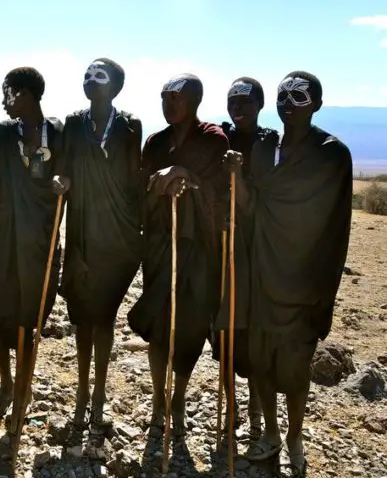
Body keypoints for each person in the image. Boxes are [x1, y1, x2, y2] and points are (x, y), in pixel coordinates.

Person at [225, 71, 352, 475]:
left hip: (304, 280)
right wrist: (235, 177)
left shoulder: (332, 154)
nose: (288, 103)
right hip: (263, 272)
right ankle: (271, 434)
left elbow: (338, 226)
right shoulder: (264, 149)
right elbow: (250, 209)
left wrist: (325, 290)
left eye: (299, 96)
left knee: (296, 371)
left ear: (316, 103)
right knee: (260, 360)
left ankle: (295, 434)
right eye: (282, 95)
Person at [127, 73, 229, 438]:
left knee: (189, 327)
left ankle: (179, 398)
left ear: (195, 102)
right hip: (160, 245)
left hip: (198, 249)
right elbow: (142, 188)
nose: (169, 105)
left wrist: (185, 174)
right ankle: (158, 399)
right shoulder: (155, 142)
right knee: (159, 325)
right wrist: (158, 185)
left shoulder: (213, 139)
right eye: (164, 98)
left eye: (176, 99)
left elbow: (216, 186)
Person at [0, 66, 68, 433]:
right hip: (4, 239)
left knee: (29, 321)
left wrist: (65, 182)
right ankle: (5, 383)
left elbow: (69, 173)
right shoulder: (1, 132)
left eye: (8, 93)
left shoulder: (58, 133)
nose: (3, 101)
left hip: (41, 241)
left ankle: (24, 391)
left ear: (27, 95)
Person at [60, 58, 142, 433]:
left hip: (116, 233)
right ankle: (80, 389)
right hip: (79, 230)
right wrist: (61, 182)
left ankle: (98, 393)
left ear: (116, 86)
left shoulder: (129, 126)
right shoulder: (74, 124)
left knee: (105, 315)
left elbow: (131, 177)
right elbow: (63, 167)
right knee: (82, 315)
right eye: (87, 75)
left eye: (100, 76)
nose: (91, 81)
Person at [211, 77, 276, 444]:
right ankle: (231, 406)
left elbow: (254, 205)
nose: (239, 109)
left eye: (246, 102)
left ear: (260, 105)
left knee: (250, 330)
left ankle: (252, 409)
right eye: (233, 102)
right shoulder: (221, 138)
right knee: (224, 330)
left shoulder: (269, 144)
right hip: (222, 245)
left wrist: (238, 176)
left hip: (256, 250)